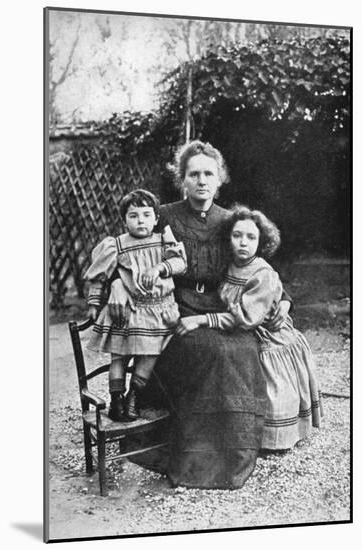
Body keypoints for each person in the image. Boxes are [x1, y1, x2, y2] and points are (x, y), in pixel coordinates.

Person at [108, 141, 291, 489]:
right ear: (183, 180)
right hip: (175, 311)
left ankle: (234, 450)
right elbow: (130, 247)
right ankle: (196, 458)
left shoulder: (230, 221)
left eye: (209, 173)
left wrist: (284, 302)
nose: (202, 181)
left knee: (241, 350)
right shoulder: (163, 215)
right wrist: (118, 283)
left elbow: (256, 268)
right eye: (194, 174)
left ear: (220, 178)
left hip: (224, 310)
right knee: (211, 352)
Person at [199, 205, 322, 449]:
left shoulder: (262, 271)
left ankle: (276, 437)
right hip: (243, 324)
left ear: (261, 241)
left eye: (251, 237)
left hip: (268, 332)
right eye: (237, 236)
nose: (243, 243)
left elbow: (247, 315)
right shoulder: (229, 265)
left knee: (272, 386)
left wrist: (205, 320)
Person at [84, 189, 186, 422]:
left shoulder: (163, 240)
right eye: (133, 215)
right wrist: (94, 302)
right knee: (119, 357)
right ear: (124, 220)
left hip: (158, 310)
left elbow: (180, 263)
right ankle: (116, 400)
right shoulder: (117, 245)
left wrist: (160, 268)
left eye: (146, 215)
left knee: (149, 355)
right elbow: (99, 275)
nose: (140, 220)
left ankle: (134, 397)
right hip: (127, 311)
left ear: (156, 219)